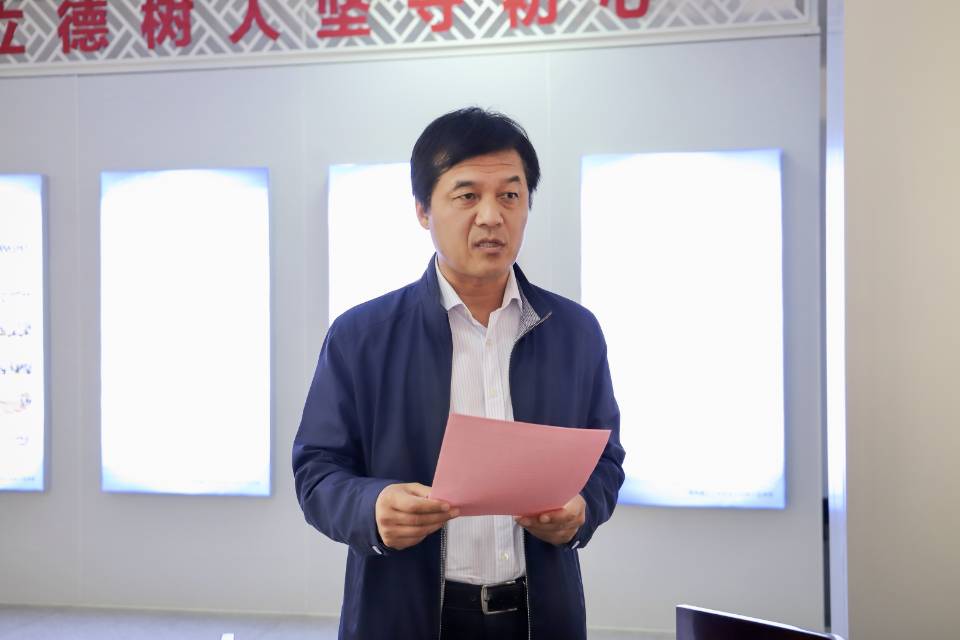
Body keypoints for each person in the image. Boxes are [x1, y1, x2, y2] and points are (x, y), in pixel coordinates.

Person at [293, 107, 625, 640]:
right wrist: (371, 508)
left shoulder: (575, 332)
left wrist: (583, 508)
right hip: (404, 615)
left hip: (540, 615)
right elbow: (317, 470)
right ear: (423, 210)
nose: (491, 216)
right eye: (467, 196)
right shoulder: (361, 336)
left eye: (510, 195)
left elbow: (605, 456)